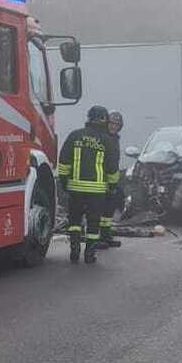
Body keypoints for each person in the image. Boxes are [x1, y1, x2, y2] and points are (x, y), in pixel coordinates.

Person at [57, 105, 120, 263]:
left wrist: (64, 182)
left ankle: (74, 250)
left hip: (75, 189)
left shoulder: (75, 135)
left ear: (89, 118)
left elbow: (64, 161)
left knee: (74, 221)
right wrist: (112, 187)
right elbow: (112, 168)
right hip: (97, 191)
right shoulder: (107, 140)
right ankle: (89, 254)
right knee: (93, 223)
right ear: (104, 120)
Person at [100, 111, 126, 247]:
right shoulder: (103, 137)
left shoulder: (115, 139)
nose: (113, 126)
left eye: (116, 124)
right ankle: (99, 237)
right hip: (101, 179)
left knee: (109, 210)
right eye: (111, 123)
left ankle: (105, 234)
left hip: (111, 179)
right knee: (101, 209)